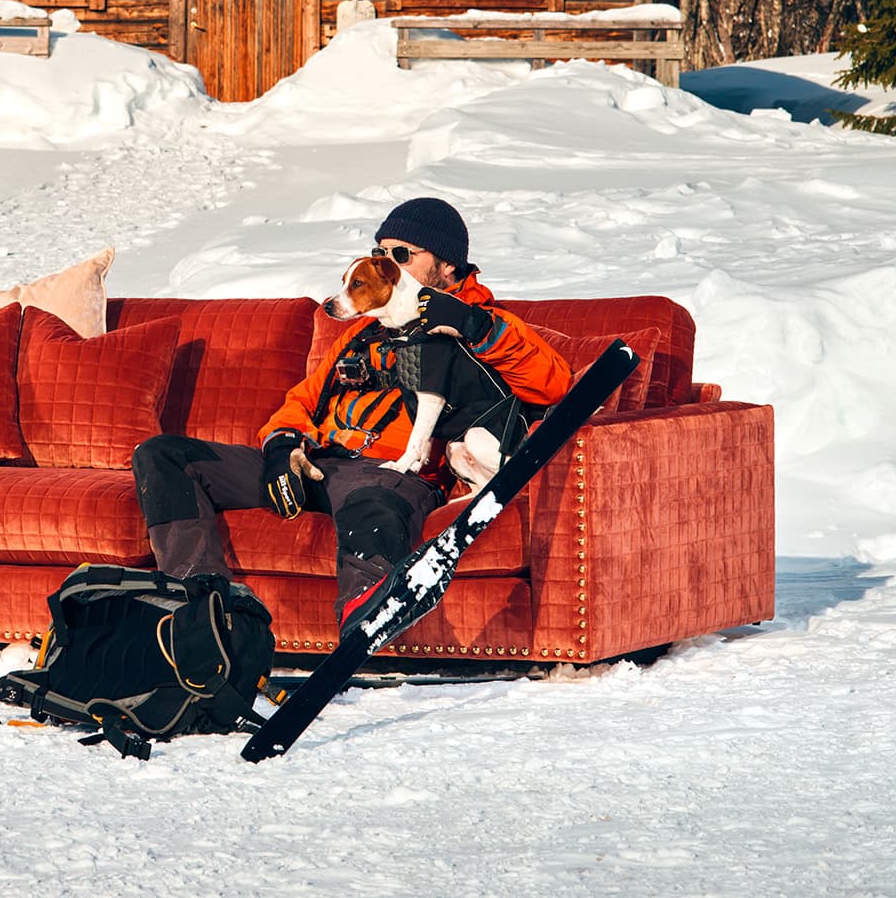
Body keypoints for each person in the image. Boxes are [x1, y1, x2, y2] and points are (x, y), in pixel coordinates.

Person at [131, 197, 573, 623]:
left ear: (446, 266)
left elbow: (553, 384)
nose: (388, 265)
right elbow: (303, 398)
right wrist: (283, 447)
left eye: (401, 254)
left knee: (374, 510)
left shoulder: (483, 324)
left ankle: (362, 625)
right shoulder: (364, 332)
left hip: (390, 475)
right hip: (319, 463)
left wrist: (474, 325)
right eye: (379, 253)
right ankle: (198, 608)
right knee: (163, 455)